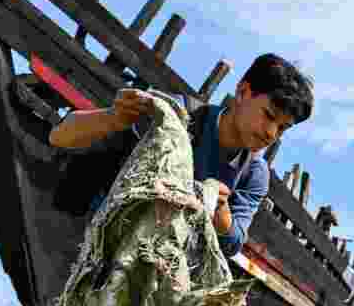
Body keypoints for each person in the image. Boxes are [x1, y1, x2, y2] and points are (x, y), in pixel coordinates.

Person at [49, 53, 314, 256]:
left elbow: (233, 242)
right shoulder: (175, 114)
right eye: (269, 116)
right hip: (93, 244)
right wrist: (113, 118)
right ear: (243, 92)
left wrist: (221, 214)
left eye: (282, 128)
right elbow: (59, 136)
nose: (271, 133)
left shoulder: (254, 175)